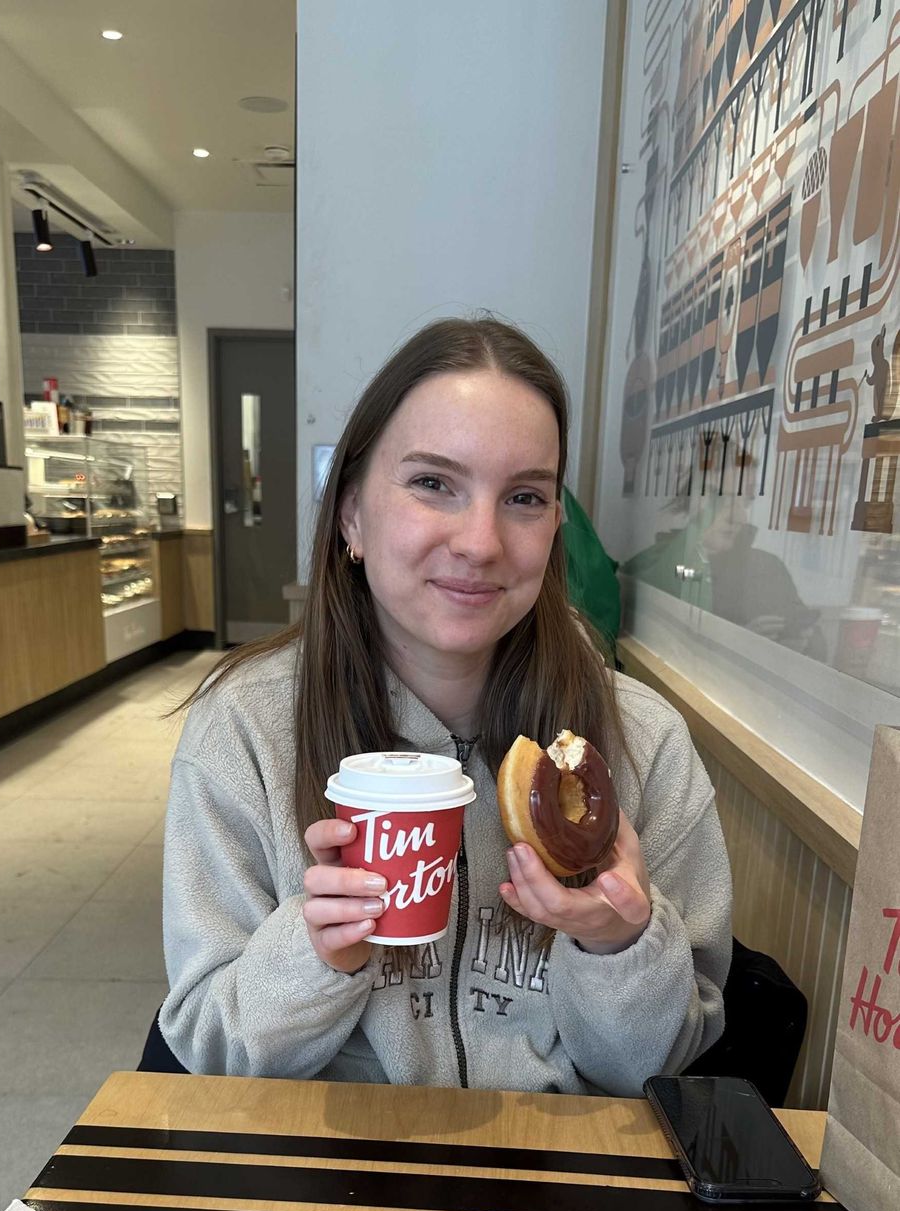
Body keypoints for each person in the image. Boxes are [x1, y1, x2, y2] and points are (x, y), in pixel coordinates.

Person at [157, 316, 731, 1095]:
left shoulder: (642, 743)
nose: (481, 541)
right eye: (434, 483)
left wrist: (618, 942)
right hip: (327, 1175)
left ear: (556, 525)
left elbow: (656, 1073)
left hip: (553, 1178)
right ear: (352, 512)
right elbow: (208, 1052)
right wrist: (315, 953)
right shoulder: (245, 731)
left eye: (524, 496)